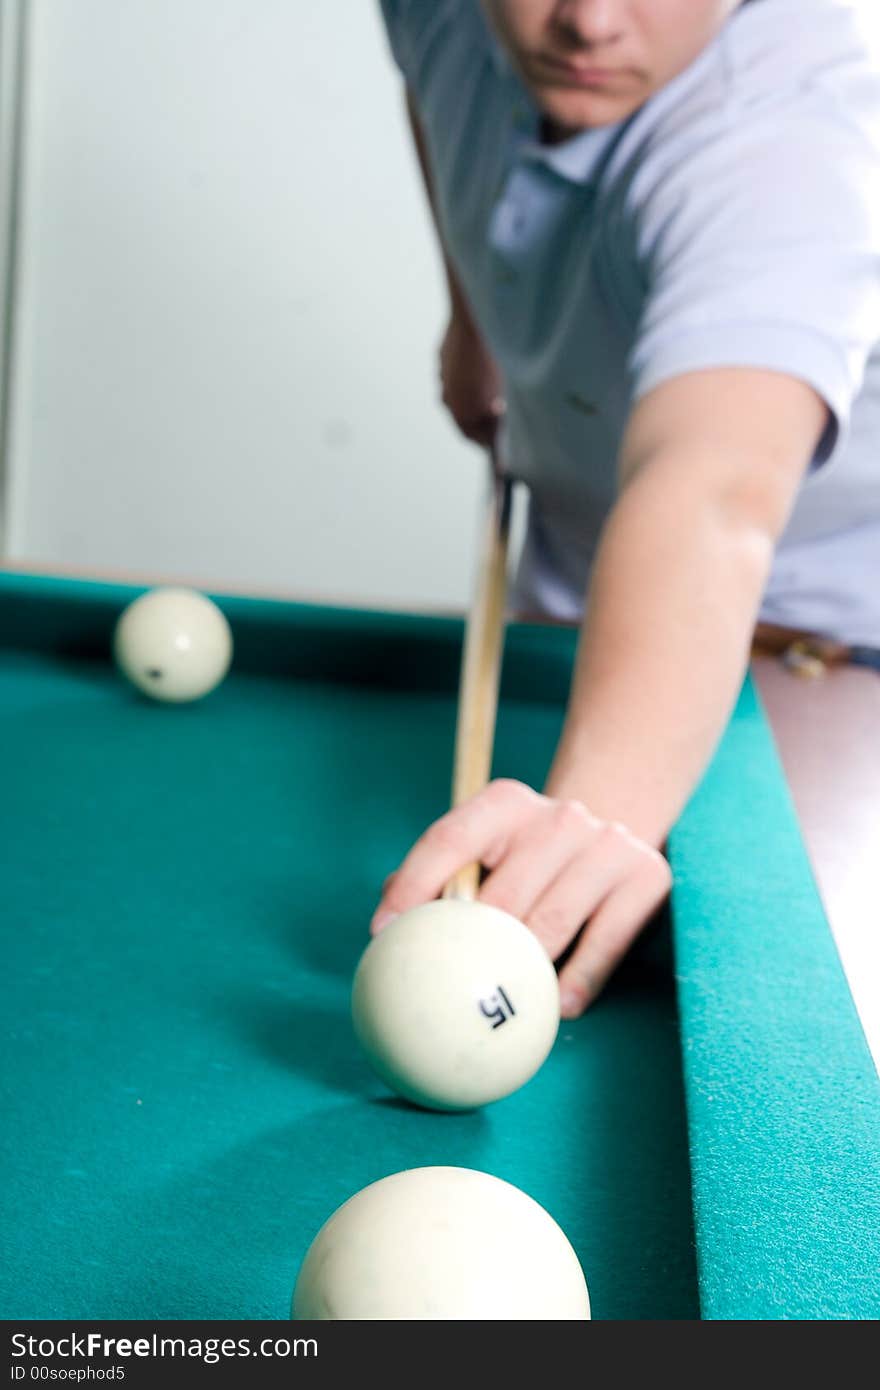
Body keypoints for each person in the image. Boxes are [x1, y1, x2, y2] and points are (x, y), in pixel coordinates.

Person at [369, 0, 880, 1017]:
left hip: (823, 652)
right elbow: (429, 81)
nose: (589, 21)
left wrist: (587, 812)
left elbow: (714, 491)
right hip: (591, 580)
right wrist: (472, 319)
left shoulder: (787, 138)